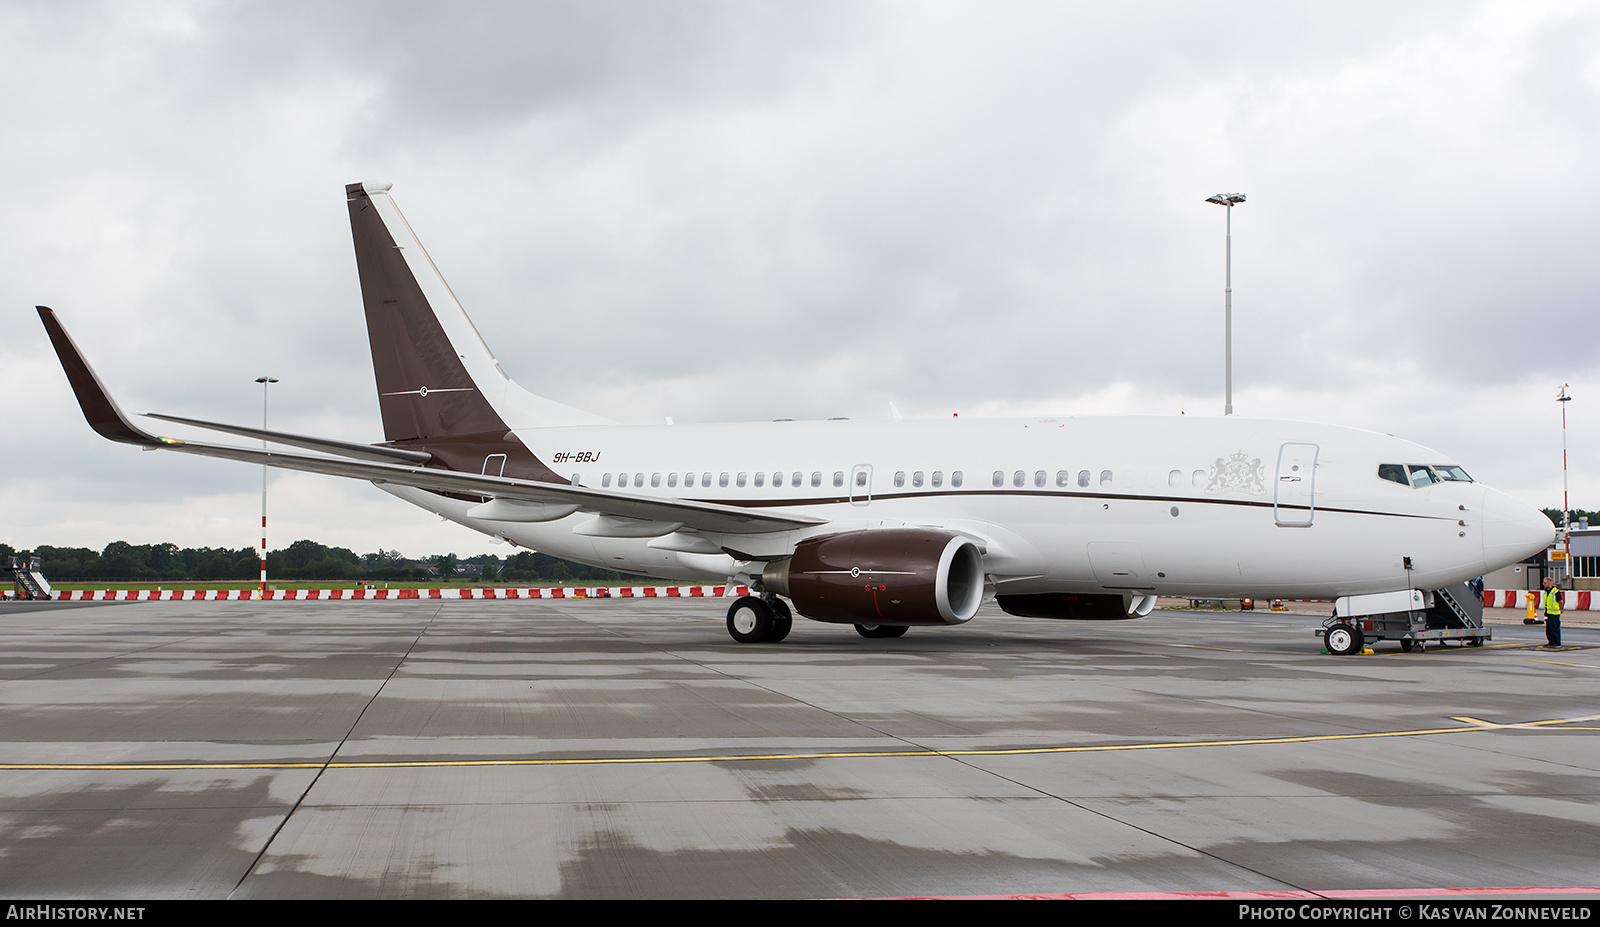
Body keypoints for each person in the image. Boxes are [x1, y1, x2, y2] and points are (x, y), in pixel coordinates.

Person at [1542, 577, 1563, 647]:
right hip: (1548, 613)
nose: (1544, 584)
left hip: (1554, 613)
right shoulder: (1546, 592)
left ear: (1550, 582)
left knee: (1555, 629)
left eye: (1545, 583)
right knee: (1549, 630)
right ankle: (1550, 642)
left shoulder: (1555, 591)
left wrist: (1561, 609)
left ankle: (1556, 643)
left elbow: (1560, 601)